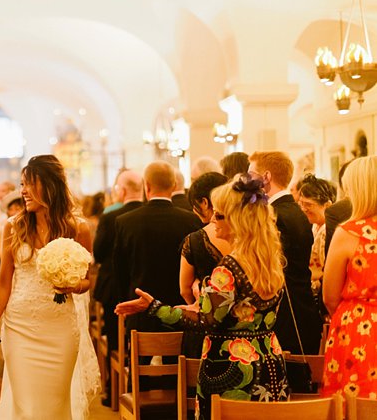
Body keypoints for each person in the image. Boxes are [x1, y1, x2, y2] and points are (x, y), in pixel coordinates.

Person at [116, 175, 289, 420]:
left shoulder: (227, 269)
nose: (212, 221)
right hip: (270, 361)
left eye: (219, 216)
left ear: (239, 220)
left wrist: (153, 307)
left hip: (232, 367)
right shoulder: (270, 261)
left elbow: (205, 322)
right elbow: (246, 312)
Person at [0, 154, 100, 420]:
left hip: (60, 328)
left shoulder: (78, 229)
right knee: (26, 406)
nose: (22, 191)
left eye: (29, 184)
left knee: (53, 407)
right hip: (20, 326)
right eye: (21, 184)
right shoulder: (13, 227)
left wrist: (73, 286)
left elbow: (87, 281)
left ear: (49, 186)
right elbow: (3, 284)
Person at [113, 161, 202, 332]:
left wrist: (124, 303)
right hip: (180, 313)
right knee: (179, 358)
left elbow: (120, 270)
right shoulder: (191, 220)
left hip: (139, 310)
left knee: (139, 358)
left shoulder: (125, 222)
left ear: (146, 186)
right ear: (174, 185)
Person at [248, 151, 322, 354]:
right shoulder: (294, 210)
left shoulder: (275, 215)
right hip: (302, 308)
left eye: (251, 175)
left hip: (288, 317)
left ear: (266, 177)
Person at [322, 155, 377, 399]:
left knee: (353, 404)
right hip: (358, 322)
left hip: (356, 330)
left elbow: (329, 296)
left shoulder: (348, 233)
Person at [92, 168, 143, 404]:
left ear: (121, 191)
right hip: (143, 288)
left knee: (115, 340)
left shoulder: (111, 217)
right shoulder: (146, 212)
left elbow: (99, 253)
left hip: (114, 289)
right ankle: (141, 387)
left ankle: (113, 391)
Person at [179, 172, 231, 357]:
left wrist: (201, 304)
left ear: (205, 202)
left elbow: (184, 290)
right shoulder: (252, 235)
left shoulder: (194, 240)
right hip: (243, 331)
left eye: (195, 205)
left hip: (206, 331)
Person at [296, 174, 336, 312]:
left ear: (327, 205)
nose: (303, 209)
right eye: (301, 204)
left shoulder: (327, 231)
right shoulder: (314, 226)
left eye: (308, 205)